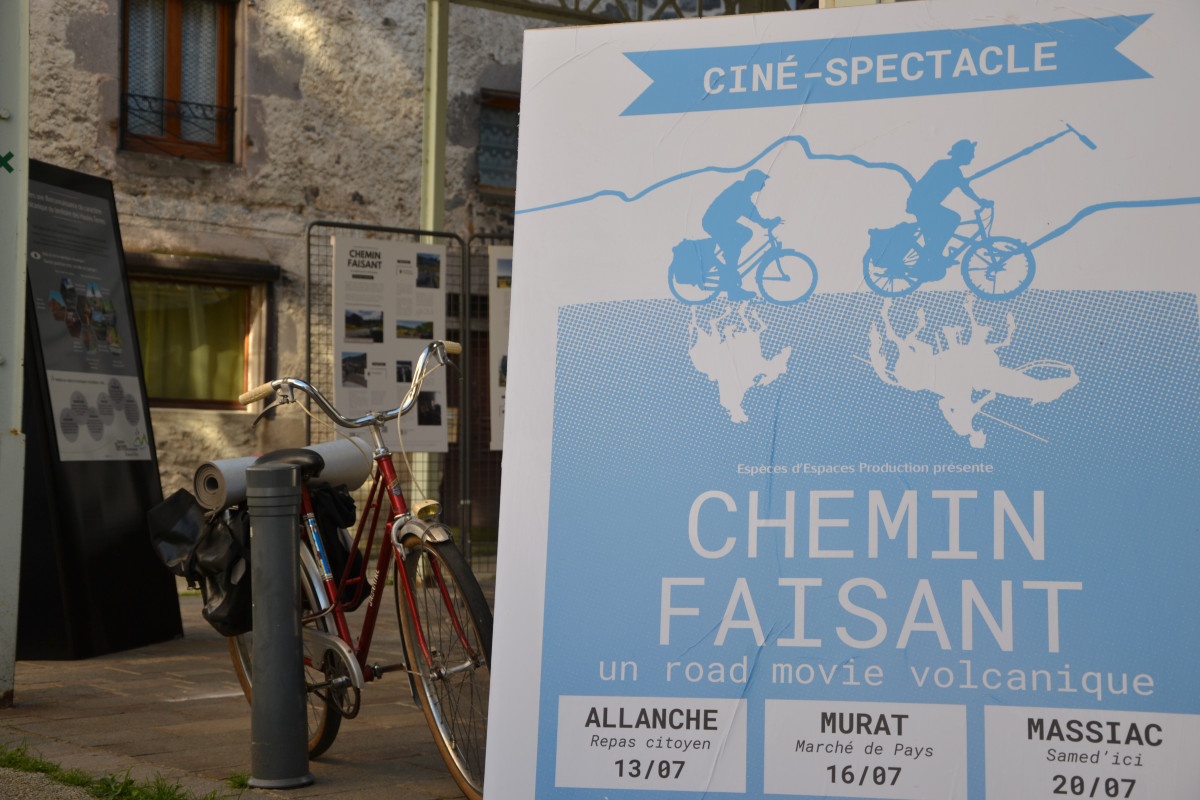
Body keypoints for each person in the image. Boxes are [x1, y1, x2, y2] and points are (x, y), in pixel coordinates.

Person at [906, 140, 992, 271]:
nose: (972, 156)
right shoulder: (945, 167)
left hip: (924, 204)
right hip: (921, 204)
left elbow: (965, 188)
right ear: (961, 154)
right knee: (953, 219)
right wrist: (979, 201)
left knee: (939, 231)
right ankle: (933, 257)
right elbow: (963, 187)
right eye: (970, 153)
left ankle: (930, 258)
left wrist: (979, 201)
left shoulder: (952, 170)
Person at [701, 169, 781, 301]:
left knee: (746, 234)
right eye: (762, 181)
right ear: (754, 181)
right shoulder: (740, 191)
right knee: (733, 251)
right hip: (714, 223)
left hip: (722, 222)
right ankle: (733, 291)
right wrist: (764, 223)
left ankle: (729, 258)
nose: (764, 184)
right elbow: (749, 210)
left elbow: (750, 210)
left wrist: (764, 222)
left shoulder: (743, 190)